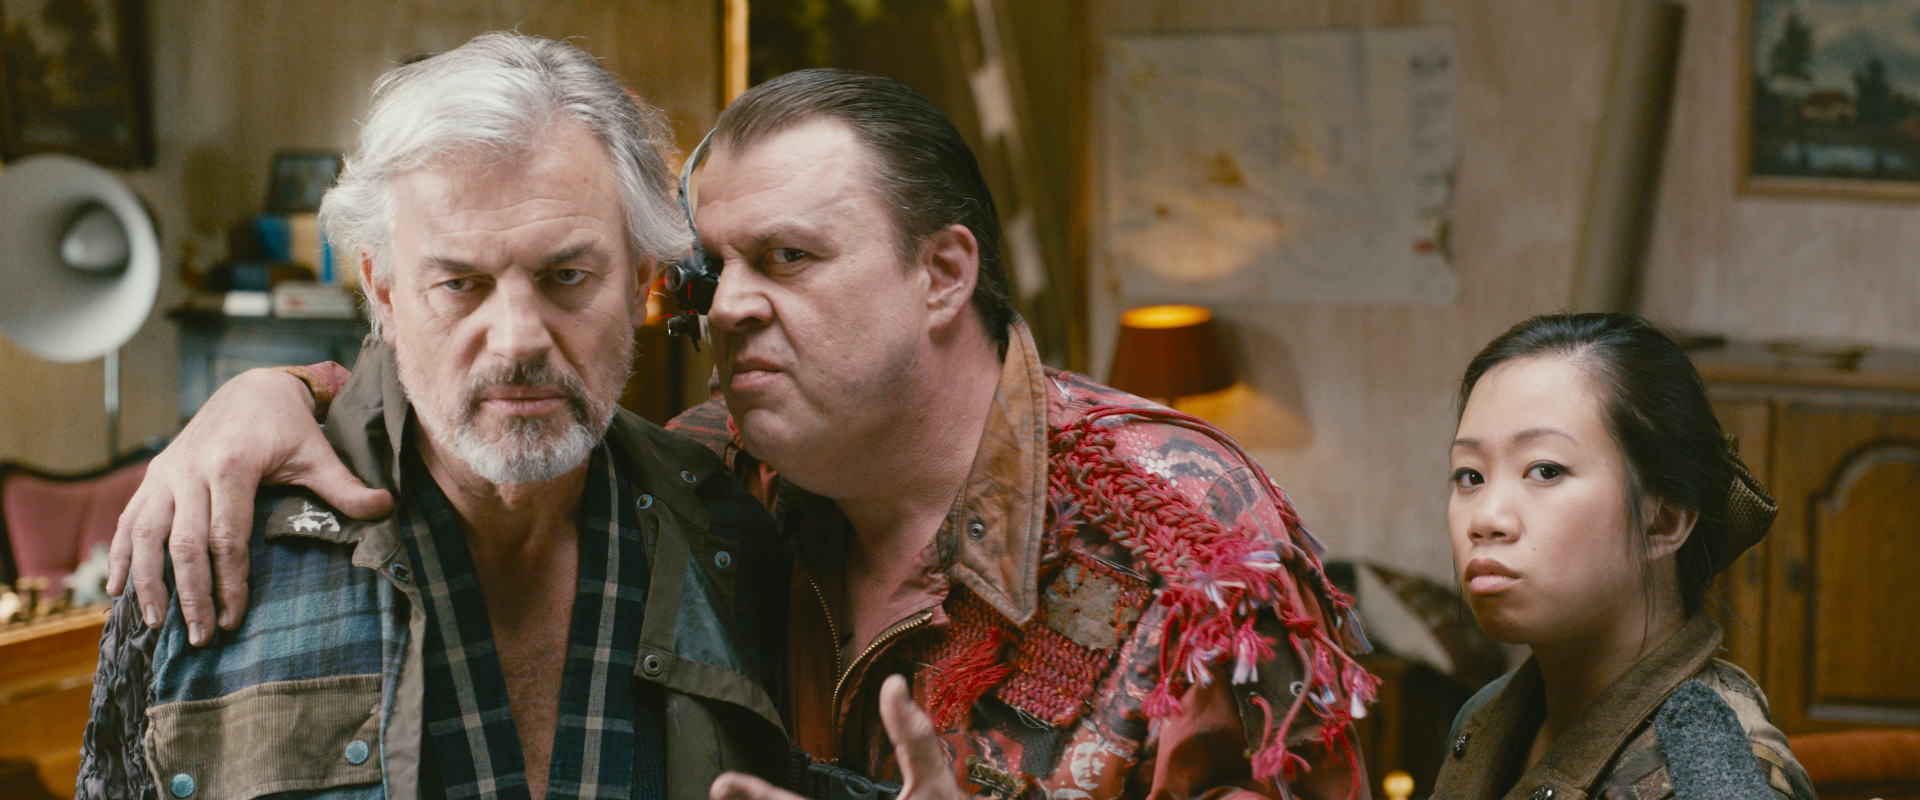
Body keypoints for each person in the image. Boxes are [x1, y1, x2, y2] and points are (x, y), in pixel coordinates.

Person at [107, 69, 1377, 799]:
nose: (730, 308)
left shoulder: (1193, 550)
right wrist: (272, 396)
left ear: (944, 272)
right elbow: (481, 395)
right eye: (714, 270)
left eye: (789, 257)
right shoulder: (718, 471)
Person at [79, 33, 788, 800]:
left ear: (641, 279)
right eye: (460, 284)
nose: (517, 338)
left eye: (566, 275)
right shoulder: (210, 541)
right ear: (382, 291)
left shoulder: (731, 537)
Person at [1435, 313, 1814, 800]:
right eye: (1470, 476)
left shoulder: (1712, 774)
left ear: (1664, 521)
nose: (1485, 518)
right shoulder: (1485, 717)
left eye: (1545, 470)